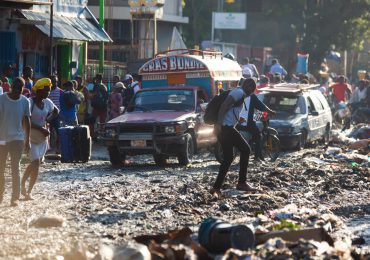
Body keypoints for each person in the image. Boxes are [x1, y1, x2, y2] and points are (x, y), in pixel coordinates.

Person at [210, 78, 259, 198]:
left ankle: (216, 187)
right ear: (248, 86)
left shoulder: (239, 93)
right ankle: (242, 183)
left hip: (226, 127)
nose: (251, 92)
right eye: (251, 89)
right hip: (225, 128)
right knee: (246, 150)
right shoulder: (239, 93)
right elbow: (224, 106)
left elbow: (230, 110)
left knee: (228, 158)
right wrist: (219, 124)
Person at [21, 78, 58, 200]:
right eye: (46, 90)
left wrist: (47, 120)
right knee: (35, 162)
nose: (48, 92)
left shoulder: (48, 102)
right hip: (30, 136)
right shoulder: (29, 102)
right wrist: (41, 128)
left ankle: (28, 190)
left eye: (49, 90)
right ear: (39, 90)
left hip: (42, 138)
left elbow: (56, 111)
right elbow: (27, 120)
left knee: (36, 164)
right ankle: (23, 185)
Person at [0, 77, 31, 206]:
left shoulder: (25, 102)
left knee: (15, 168)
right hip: (1, 139)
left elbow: (27, 121)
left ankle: (15, 197)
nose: (17, 90)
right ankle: (1, 194)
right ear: (11, 86)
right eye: (15, 87)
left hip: (17, 139)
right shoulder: (2, 99)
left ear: (23, 89)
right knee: (0, 168)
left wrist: (27, 140)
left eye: (20, 88)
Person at [238, 88, 276, 161]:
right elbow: (262, 107)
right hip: (247, 121)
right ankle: (256, 157)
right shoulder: (253, 96)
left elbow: (256, 111)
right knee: (258, 136)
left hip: (238, 120)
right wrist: (270, 112)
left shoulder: (239, 94)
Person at [90, 74, 108, 139]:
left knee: (92, 121)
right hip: (103, 107)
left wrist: (90, 96)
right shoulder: (104, 86)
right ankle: (102, 135)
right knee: (102, 122)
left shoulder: (96, 86)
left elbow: (94, 94)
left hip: (96, 107)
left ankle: (92, 135)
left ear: (97, 79)